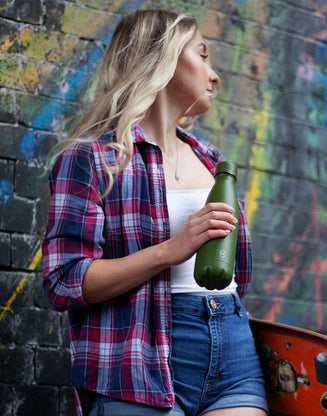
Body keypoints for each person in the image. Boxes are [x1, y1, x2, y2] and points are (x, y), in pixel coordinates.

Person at [42, 9, 268, 416]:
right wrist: (172, 249)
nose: (214, 75)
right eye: (202, 55)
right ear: (163, 58)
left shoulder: (212, 160)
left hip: (233, 349)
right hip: (139, 362)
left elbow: (240, 275)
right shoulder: (93, 158)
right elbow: (65, 280)